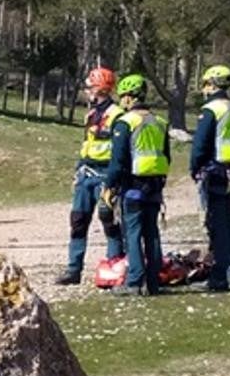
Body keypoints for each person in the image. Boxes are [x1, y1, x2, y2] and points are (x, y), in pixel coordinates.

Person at [55, 67, 125, 285]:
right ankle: (73, 269)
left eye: (89, 87)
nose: (86, 91)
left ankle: (114, 267)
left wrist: (114, 181)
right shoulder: (90, 114)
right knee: (78, 221)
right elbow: (88, 144)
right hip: (86, 174)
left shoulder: (117, 115)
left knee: (109, 222)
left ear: (99, 88)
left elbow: (119, 150)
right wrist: (78, 170)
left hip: (106, 174)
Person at [104, 74, 170, 297]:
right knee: (151, 233)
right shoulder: (160, 122)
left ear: (129, 98)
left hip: (132, 186)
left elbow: (118, 160)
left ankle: (134, 282)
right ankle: (153, 282)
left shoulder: (126, 122)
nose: (121, 101)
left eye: (122, 97)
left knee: (132, 233)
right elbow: (166, 156)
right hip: (155, 186)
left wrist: (109, 186)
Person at [190, 64, 230, 292]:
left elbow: (200, 144)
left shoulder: (211, 110)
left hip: (213, 171)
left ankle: (219, 276)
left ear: (212, 84)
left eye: (205, 84)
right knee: (228, 221)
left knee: (216, 224)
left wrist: (194, 169)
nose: (204, 89)